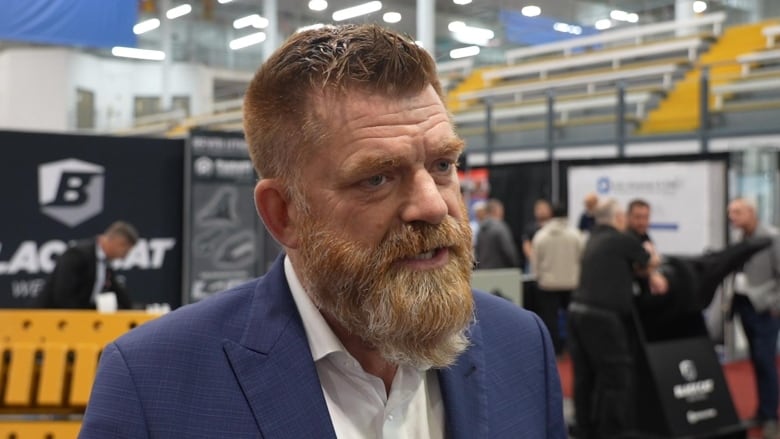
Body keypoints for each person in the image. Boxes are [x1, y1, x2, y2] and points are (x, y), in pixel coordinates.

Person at [80, 24, 565, 438]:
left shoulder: (520, 345)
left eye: (442, 165)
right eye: (377, 177)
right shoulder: (153, 381)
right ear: (283, 213)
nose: (433, 205)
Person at [568, 198, 663, 439]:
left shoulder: (593, 238)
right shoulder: (621, 239)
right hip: (604, 318)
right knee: (617, 376)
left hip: (578, 313)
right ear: (620, 218)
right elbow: (648, 260)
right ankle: (613, 432)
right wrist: (653, 259)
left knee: (585, 378)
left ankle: (584, 429)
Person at [727, 197, 780, 439]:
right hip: (743, 306)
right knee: (756, 361)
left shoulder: (772, 237)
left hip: (765, 310)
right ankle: (761, 411)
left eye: (737, 213)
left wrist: (774, 305)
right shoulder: (739, 239)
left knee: (765, 361)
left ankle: (770, 417)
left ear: (751, 212)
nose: (732, 218)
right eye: (731, 213)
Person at [38, 221, 138, 309]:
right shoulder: (77, 254)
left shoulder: (105, 265)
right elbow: (63, 295)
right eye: (126, 251)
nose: (125, 257)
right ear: (120, 243)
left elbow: (119, 294)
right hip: (48, 320)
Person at [532, 203, 583, 355]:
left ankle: (554, 349)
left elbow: (536, 261)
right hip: (572, 283)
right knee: (572, 319)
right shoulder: (575, 235)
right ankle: (573, 348)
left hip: (547, 284)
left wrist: (539, 277)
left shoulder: (541, 235)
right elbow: (581, 258)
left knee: (550, 319)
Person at [474, 198, 520, 269]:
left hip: (484, 273)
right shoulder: (500, 227)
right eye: (501, 210)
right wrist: (515, 264)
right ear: (496, 211)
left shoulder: (480, 230)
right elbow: (508, 251)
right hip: (500, 273)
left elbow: (477, 253)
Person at [522, 198, 553, 268]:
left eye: (544, 208)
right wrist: (533, 259)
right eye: (539, 209)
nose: (542, 211)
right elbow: (526, 245)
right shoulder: (530, 228)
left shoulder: (553, 228)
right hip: (534, 261)